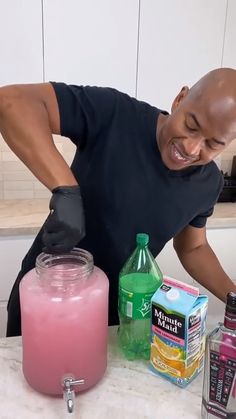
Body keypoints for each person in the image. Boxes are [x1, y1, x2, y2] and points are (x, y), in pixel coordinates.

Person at [1, 67, 236, 337]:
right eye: (191, 126)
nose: (191, 148)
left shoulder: (208, 184)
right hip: (46, 298)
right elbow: (12, 102)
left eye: (213, 144)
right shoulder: (115, 115)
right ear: (180, 99)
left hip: (117, 316)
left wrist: (233, 296)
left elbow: (193, 248)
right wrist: (66, 190)